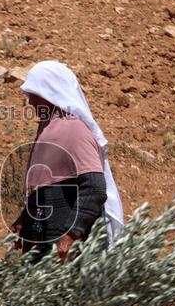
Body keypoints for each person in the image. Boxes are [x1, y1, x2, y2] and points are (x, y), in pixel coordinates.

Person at [12, 60, 125, 261]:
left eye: (35, 95)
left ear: (50, 92)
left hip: (70, 257)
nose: (31, 103)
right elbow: (44, 195)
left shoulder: (73, 129)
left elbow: (95, 188)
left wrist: (71, 234)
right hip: (47, 252)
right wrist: (26, 223)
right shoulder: (48, 130)